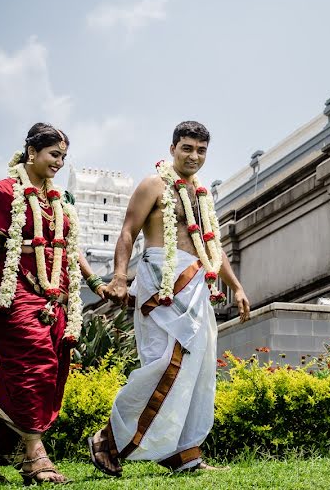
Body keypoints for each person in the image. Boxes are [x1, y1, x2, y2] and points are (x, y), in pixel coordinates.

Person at [89, 121, 250, 476]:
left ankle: (184, 452)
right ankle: (108, 439)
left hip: (196, 283)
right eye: (187, 148)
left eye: (201, 150)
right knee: (165, 363)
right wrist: (119, 276)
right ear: (173, 148)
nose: (194, 156)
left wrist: (236, 286)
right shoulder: (153, 184)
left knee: (199, 367)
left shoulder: (202, 196)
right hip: (161, 280)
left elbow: (213, 248)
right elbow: (128, 231)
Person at [0, 123, 106, 484]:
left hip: (55, 295)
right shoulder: (2, 191)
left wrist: (95, 282)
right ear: (31, 152)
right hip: (14, 293)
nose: (59, 162)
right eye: (54, 154)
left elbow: (71, 249)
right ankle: (34, 458)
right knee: (33, 365)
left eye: (63, 157)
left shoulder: (61, 200)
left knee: (39, 373)